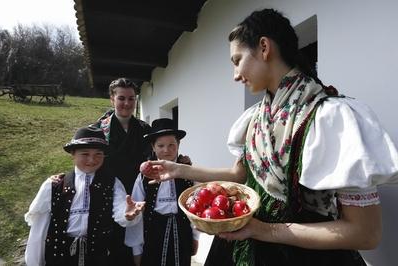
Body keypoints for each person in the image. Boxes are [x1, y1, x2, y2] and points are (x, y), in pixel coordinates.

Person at [143, 8, 398, 266]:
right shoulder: (256, 119)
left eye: (237, 60)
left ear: (264, 47)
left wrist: (264, 230)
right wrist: (178, 170)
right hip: (248, 240)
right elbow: (238, 176)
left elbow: (366, 233)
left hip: (305, 255)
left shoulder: (332, 118)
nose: (235, 75)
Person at [24, 126, 145, 266]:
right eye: (85, 154)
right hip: (60, 257)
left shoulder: (113, 183)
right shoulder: (54, 185)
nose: (92, 160)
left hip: (99, 258)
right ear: (73, 154)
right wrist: (34, 262)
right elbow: (39, 230)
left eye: (98, 154)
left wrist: (128, 214)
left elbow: (121, 209)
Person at [92, 78, 152, 265]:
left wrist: (180, 160)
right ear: (112, 99)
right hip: (109, 197)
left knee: (141, 244)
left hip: (141, 195)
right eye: (121, 98)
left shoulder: (144, 129)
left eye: (131, 99)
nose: (127, 103)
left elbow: (159, 153)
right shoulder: (98, 130)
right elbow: (86, 159)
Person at [124, 118, 199, 266]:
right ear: (153, 146)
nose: (166, 150)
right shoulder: (144, 178)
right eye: (161, 145)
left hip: (182, 232)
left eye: (172, 144)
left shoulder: (189, 173)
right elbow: (136, 214)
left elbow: (196, 209)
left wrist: (195, 236)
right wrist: (137, 250)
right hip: (153, 234)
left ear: (179, 144)